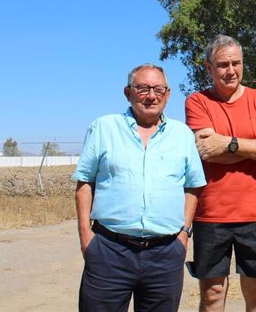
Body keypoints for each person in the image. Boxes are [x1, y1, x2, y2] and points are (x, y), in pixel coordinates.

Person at [73, 64, 206, 312]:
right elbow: (84, 182)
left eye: (158, 89)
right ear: (128, 93)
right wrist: (86, 238)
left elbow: (192, 187)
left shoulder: (182, 134)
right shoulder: (104, 128)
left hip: (165, 254)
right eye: (143, 88)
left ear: (167, 94)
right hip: (109, 251)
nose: (151, 95)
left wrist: (184, 234)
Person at [185, 34, 256, 312]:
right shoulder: (197, 102)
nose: (231, 71)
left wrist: (229, 143)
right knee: (212, 295)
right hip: (211, 214)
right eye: (223, 65)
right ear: (208, 68)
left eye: (236, 63)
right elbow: (207, 151)